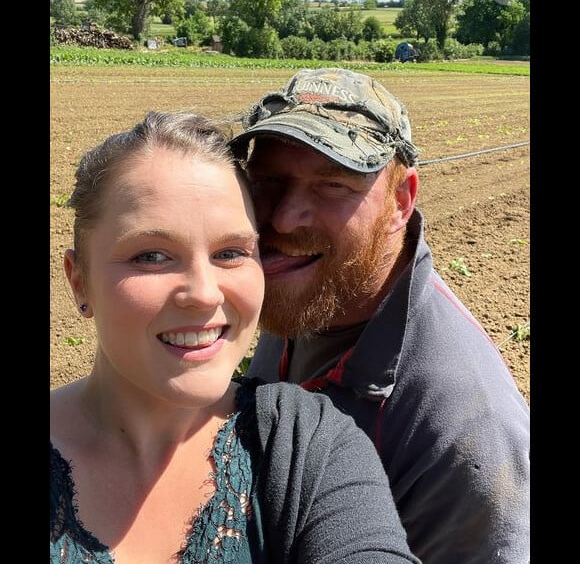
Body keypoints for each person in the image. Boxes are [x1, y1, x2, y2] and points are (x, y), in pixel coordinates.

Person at [50, 110, 422, 564]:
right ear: (79, 281)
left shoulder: (309, 450)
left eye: (231, 252)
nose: (204, 295)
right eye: (151, 256)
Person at [229, 68, 530, 564]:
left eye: (331, 185)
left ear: (401, 201)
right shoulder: (303, 294)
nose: (283, 218)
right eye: (267, 181)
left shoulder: (461, 435)